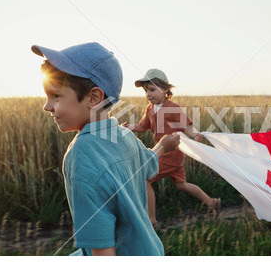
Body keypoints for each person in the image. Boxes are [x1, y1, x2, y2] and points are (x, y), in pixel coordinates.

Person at [31, 42, 180, 256]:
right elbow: (148, 164)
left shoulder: (80, 156)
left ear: (93, 98)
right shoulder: (125, 136)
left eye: (55, 96)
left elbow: (102, 250)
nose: (47, 106)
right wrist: (163, 146)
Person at [122, 69, 220, 228]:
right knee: (181, 185)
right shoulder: (149, 109)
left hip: (170, 154)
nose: (148, 94)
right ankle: (211, 202)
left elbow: (186, 125)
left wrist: (194, 135)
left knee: (145, 179)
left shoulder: (172, 107)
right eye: (146, 90)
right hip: (168, 154)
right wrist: (129, 127)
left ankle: (151, 222)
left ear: (165, 89)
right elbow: (143, 126)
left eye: (152, 89)